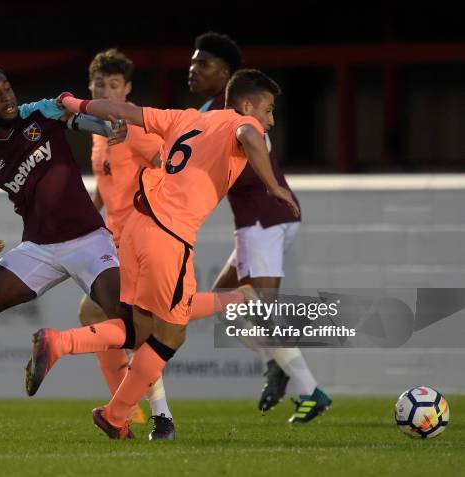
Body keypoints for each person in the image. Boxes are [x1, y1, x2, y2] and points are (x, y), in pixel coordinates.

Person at [25, 69, 300, 439]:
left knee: (139, 329)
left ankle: (68, 353)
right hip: (168, 234)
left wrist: (74, 102)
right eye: (268, 109)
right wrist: (274, 187)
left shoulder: (186, 117)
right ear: (247, 104)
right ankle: (114, 406)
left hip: (136, 224)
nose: (270, 119)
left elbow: (121, 112)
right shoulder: (244, 124)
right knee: (171, 335)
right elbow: (250, 134)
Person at [0, 64, 128, 441]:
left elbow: (94, 125)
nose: (6, 97)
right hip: (40, 247)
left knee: (129, 321)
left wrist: (109, 126)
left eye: (7, 88)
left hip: (89, 239)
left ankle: (158, 415)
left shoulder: (40, 112)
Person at [189, 32, 331, 423]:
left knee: (260, 307)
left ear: (227, 73)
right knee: (223, 301)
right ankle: (276, 364)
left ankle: (309, 389)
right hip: (267, 219)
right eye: (193, 61)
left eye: (203, 63)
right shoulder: (212, 111)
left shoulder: (231, 114)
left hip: (262, 220)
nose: (193, 69)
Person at [79, 48, 176, 439]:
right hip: (113, 240)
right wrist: (86, 215)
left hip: (140, 240)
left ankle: (152, 414)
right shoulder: (100, 130)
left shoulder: (132, 127)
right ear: (91, 87)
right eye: (100, 84)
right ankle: (135, 409)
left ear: (127, 89)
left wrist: (156, 217)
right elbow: (107, 182)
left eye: (114, 85)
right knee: (102, 318)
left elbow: (167, 168)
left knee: (131, 327)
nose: (106, 90)